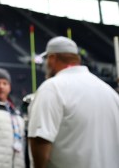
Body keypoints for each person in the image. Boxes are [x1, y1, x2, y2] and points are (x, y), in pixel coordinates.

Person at [27, 36, 119, 168]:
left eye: (47, 59)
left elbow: (40, 140)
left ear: (52, 58)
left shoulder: (53, 87)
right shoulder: (110, 93)